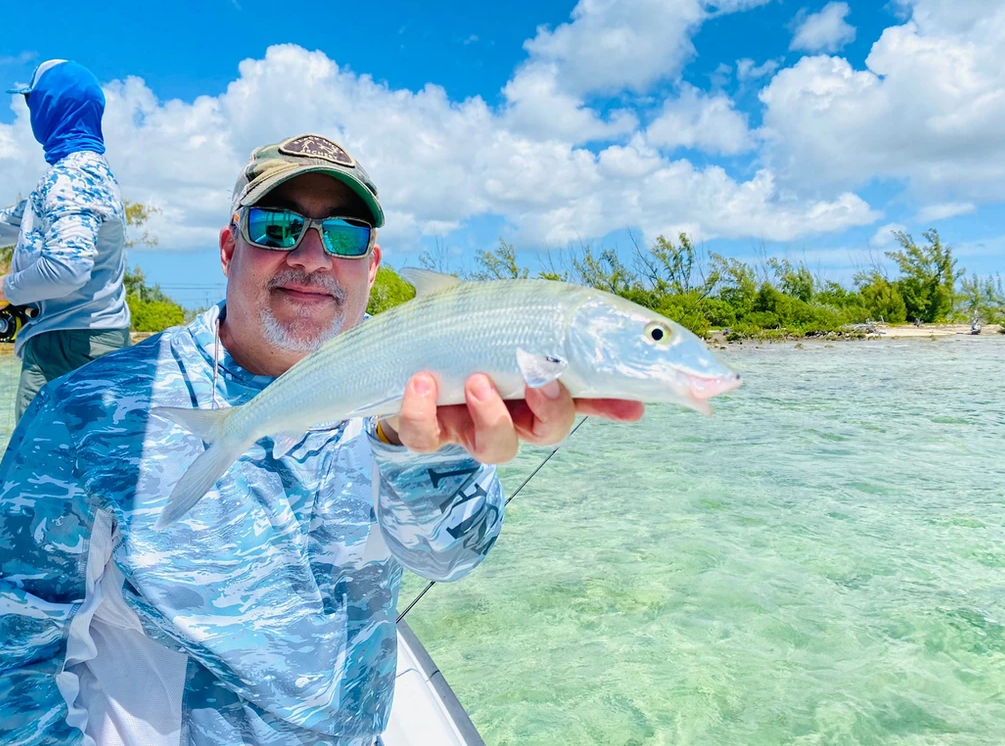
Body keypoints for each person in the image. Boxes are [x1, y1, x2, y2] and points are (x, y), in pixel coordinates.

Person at [0, 133, 642, 745]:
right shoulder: (88, 412)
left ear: (371, 265)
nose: (311, 257)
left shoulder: (422, 388)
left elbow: (451, 560)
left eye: (344, 234)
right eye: (276, 228)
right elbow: (14, 646)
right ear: (228, 248)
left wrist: (424, 450)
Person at [0, 59, 130, 422]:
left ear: (48, 107)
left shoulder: (70, 178)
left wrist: (4, 290)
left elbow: (66, 269)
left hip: (68, 345)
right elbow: (18, 220)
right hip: (82, 337)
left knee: (37, 468)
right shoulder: (88, 172)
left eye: (32, 103)